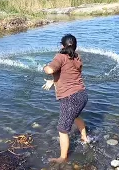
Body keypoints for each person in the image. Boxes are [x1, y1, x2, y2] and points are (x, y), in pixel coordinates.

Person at [42, 34, 89, 163]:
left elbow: (50, 70)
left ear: (62, 45)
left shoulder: (60, 56)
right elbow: (69, 74)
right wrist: (54, 82)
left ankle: (63, 158)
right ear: (75, 45)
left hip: (70, 98)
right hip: (82, 95)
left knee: (62, 129)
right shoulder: (77, 57)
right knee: (76, 116)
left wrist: (44, 66)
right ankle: (84, 138)